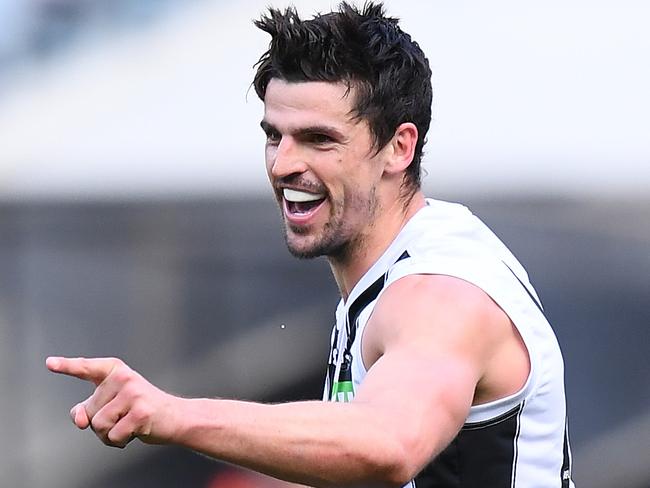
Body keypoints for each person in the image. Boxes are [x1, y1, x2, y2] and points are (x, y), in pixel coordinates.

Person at [46, 2, 574, 487]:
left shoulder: (440, 293)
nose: (283, 164)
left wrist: (174, 414)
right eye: (275, 135)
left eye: (319, 139)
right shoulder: (384, 275)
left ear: (398, 148)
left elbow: (388, 444)